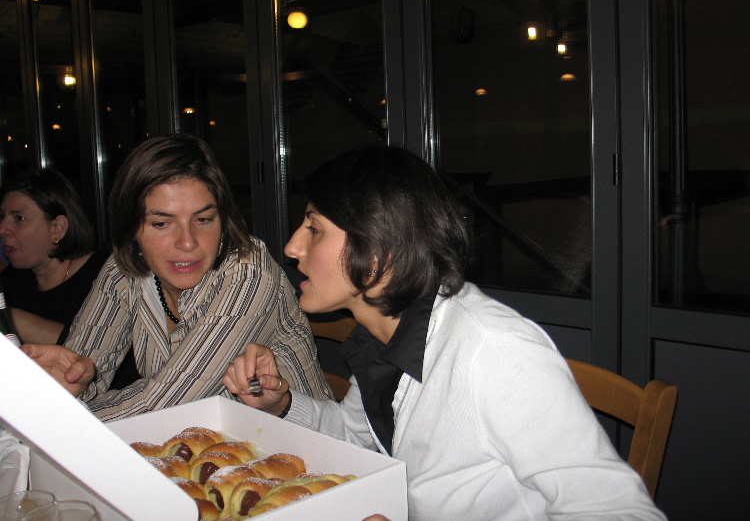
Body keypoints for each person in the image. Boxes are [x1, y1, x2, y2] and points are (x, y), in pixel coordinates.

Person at [223, 146, 667, 521]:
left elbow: (622, 512)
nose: (292, 247)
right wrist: (281, 405)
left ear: (379, 250)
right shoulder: (386, 334)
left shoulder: (494, 350)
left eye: (315, 229)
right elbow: (358, 437)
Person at [23, 134, 332, 421]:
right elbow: (78, 369)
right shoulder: (123, 270)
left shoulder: (248, 273)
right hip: (199, 445)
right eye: (162, 224)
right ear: (131, 228)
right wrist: (74, 384)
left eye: (203, 219)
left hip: (303, 447)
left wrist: (57, 419)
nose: (187, 242)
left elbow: (166, 403)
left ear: (223, 220)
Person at [0, 169, 109, 346]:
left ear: (58, 228)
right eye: (2, 216)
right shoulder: (14, 278)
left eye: (19, 218)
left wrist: (13, 320)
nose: (2, 229)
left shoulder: (107, 278)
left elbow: (99, 348)